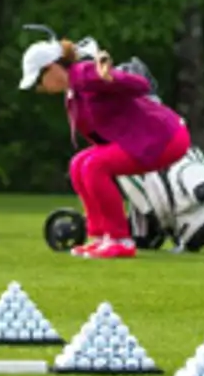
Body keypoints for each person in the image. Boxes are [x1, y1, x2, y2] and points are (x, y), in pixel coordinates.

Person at [20, 36, 191, 259]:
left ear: (51, 67)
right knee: (78, 164)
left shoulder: (84, 74)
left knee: (95, 166)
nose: (39, 88)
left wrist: (111, 77)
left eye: (38, 80)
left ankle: (120, 240)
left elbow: (141, 84)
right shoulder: (74, 87)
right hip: (144, 139)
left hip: (165, 138)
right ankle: (100, 237)